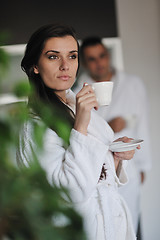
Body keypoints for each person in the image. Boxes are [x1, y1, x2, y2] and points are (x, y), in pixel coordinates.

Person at [16, 24, 140, 240]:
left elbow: (99, 172)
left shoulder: (76, 105)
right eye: (53, 57)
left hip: (111, 227)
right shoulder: (34, 126)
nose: (66, 66)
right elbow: (71, 192)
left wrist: (117, 156)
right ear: (35, 65)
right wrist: (81, 124)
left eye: (72, 56)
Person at [73, 36, 152, 238]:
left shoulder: (133, 84)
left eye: (101, 56)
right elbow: (81, 132)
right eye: (91, 59)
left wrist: (144, 165)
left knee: (128, 223)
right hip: (98, 170)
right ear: (85, 62)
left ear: (108, 55)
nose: (99, 63)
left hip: (129, 165)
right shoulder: (78, 92)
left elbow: (142, 124)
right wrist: (109, 126)